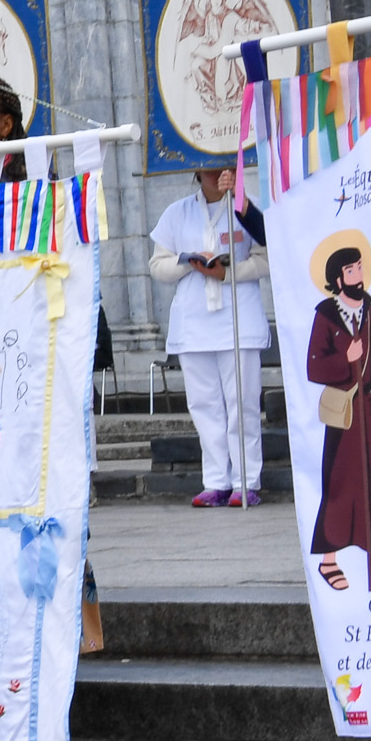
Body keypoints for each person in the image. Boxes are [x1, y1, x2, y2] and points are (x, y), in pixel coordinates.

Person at [152, 165, 270, 508]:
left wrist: (227, 272)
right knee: (204, 405)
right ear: (196, 171)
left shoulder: (248, 206)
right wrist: (188, 262)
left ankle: (246, 481)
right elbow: (158, 266)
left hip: (237, 319)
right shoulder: (177, 213)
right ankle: (216, 480)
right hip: (194, 321)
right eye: (208, 169)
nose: (216, 174)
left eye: (222, 167)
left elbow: (266, 258)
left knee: (242, 403)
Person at [309, 242, 371, 591]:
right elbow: (314, 366)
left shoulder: (367, 309)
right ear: (338, 279)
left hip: (367, 409)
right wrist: (345, 358)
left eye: (359, 267)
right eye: (351, 270)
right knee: (340, 482)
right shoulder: (327, 315)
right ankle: (329, 559)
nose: (358, 274)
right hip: (343, 412)